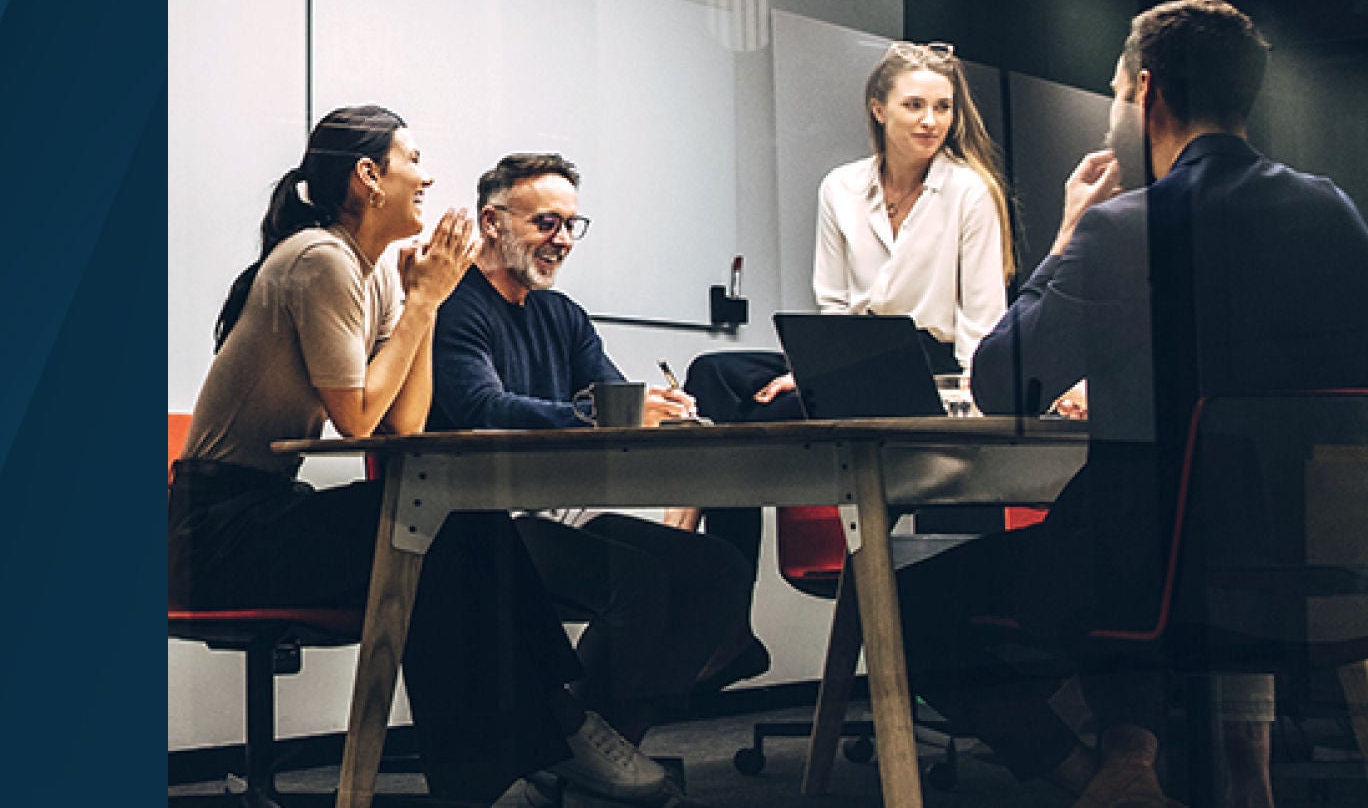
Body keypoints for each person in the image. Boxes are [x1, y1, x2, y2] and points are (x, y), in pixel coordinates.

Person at [898, 0, 1368, 806]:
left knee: (913, 609)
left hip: (1152, 574)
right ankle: (1138, 761)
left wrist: (1069, 231)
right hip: (1314, 565)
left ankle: (1102, 785)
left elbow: (1002, 380)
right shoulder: (1335, 214)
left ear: (1146, 93)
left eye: (1116, 92)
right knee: (1132, 529)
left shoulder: (1129, 229)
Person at [168, 107, 673, 806]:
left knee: (446, 523)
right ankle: (551, 732)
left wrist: (421, 305)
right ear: (369, 177)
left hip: (263, 512)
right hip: (213, 534)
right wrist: (429, 299)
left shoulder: (370, 273)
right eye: (412, 158)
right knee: (440, 526)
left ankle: (515, 758)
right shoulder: (320, 260)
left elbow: (401, 425)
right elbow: (357, 421)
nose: (427, 174)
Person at [427, 152, 767, 758]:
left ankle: (605, 740)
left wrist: (663, 413)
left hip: (551, 515)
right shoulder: (455, 307)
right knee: (636, 582)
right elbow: (485, 407)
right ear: (492, 222)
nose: (561, 240)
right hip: (475, 528)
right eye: (545, 223)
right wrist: (616, 412)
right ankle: (581, 749)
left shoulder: (563, 314)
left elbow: (614, 401)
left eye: (571, 225)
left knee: (719, 567)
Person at [673, 40, 1013, 577]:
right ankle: (725, 600)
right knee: (712, 373)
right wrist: (809, 371)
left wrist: (972, 404)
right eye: (914, 105)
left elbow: (982, 316)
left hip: (929, 364)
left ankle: (693, 545)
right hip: (850, 356)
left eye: (942, 107)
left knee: (744, 428)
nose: (931, 121)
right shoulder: (842, 187)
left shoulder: (970, 191)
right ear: (878, 108)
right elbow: (831, 302)